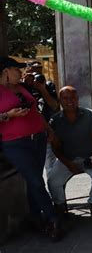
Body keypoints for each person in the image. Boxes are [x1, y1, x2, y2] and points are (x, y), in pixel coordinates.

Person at [0, 57, 60, 241]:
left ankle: (36, 219)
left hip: (37, 138)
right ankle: (53, 219)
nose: (21, 72)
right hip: (15, 143)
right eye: (16, 69)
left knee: (35, 180)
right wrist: (7, 115)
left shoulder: (21, 88)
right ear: (5, 71)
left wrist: (48, 129)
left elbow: (36, 111)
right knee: (35, 181)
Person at [47, 86, 92, 219]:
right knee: (53, 181)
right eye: (65, 98)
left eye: (73, 97)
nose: (70, 101)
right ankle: (60, 205)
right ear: (60, 100)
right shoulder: (55, 120)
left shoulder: (88, 115)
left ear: (77, 99)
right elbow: (55, 147)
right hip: (66, 159)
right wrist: (68, 164)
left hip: (89, 157)